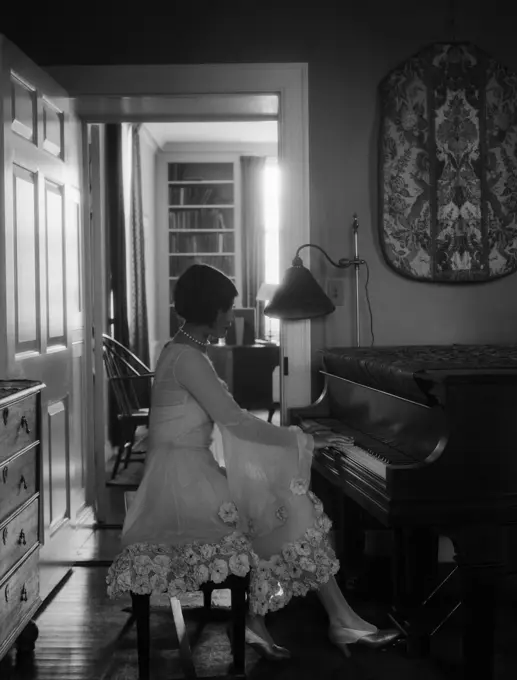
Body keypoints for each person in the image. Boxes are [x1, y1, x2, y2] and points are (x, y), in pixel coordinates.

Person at [106, 264, 399, 660]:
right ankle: (327, 620)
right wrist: (303, 438)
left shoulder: (185, 350)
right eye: (228, 308)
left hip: (188, 473)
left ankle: (273, 622)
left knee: (282, 506)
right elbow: (235, 421)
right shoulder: (187, 359)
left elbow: (233, 421)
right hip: (180, 485)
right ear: (212, 309)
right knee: (288, 508)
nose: (233, 317)